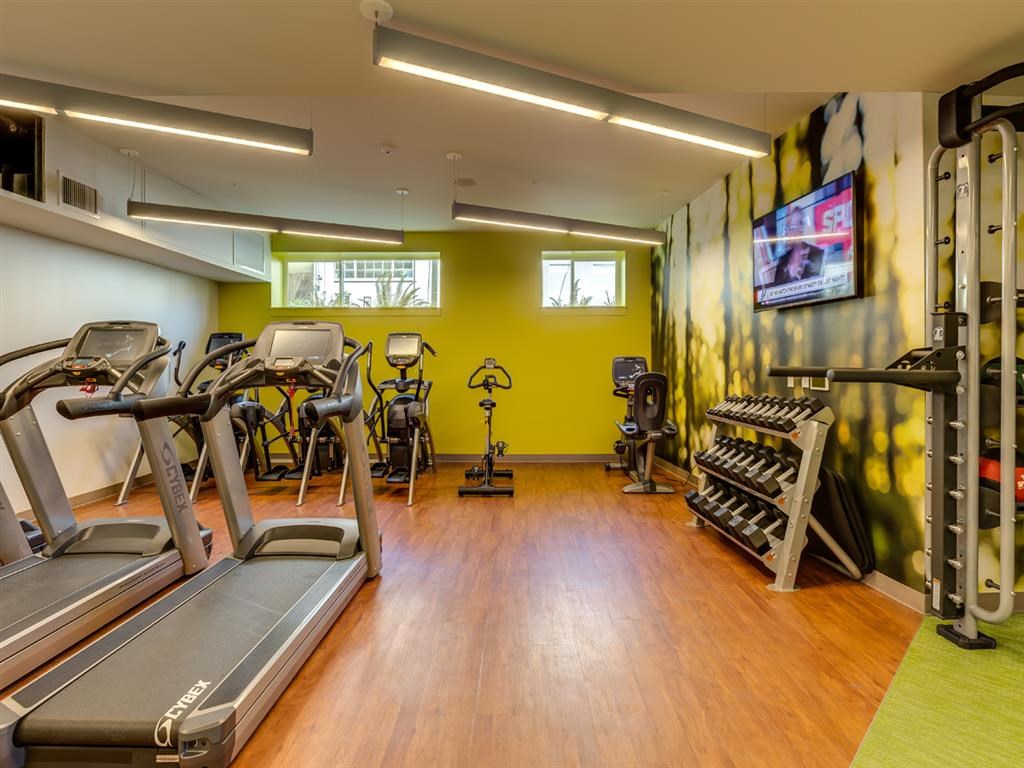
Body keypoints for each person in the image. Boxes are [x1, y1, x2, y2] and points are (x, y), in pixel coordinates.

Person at [773, 205, 824, 285]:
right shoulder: (782, 261)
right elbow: (776, 289)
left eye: (791, 227)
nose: (787, 232)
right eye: (787, 226)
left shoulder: (817, 254)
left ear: (802, 227)